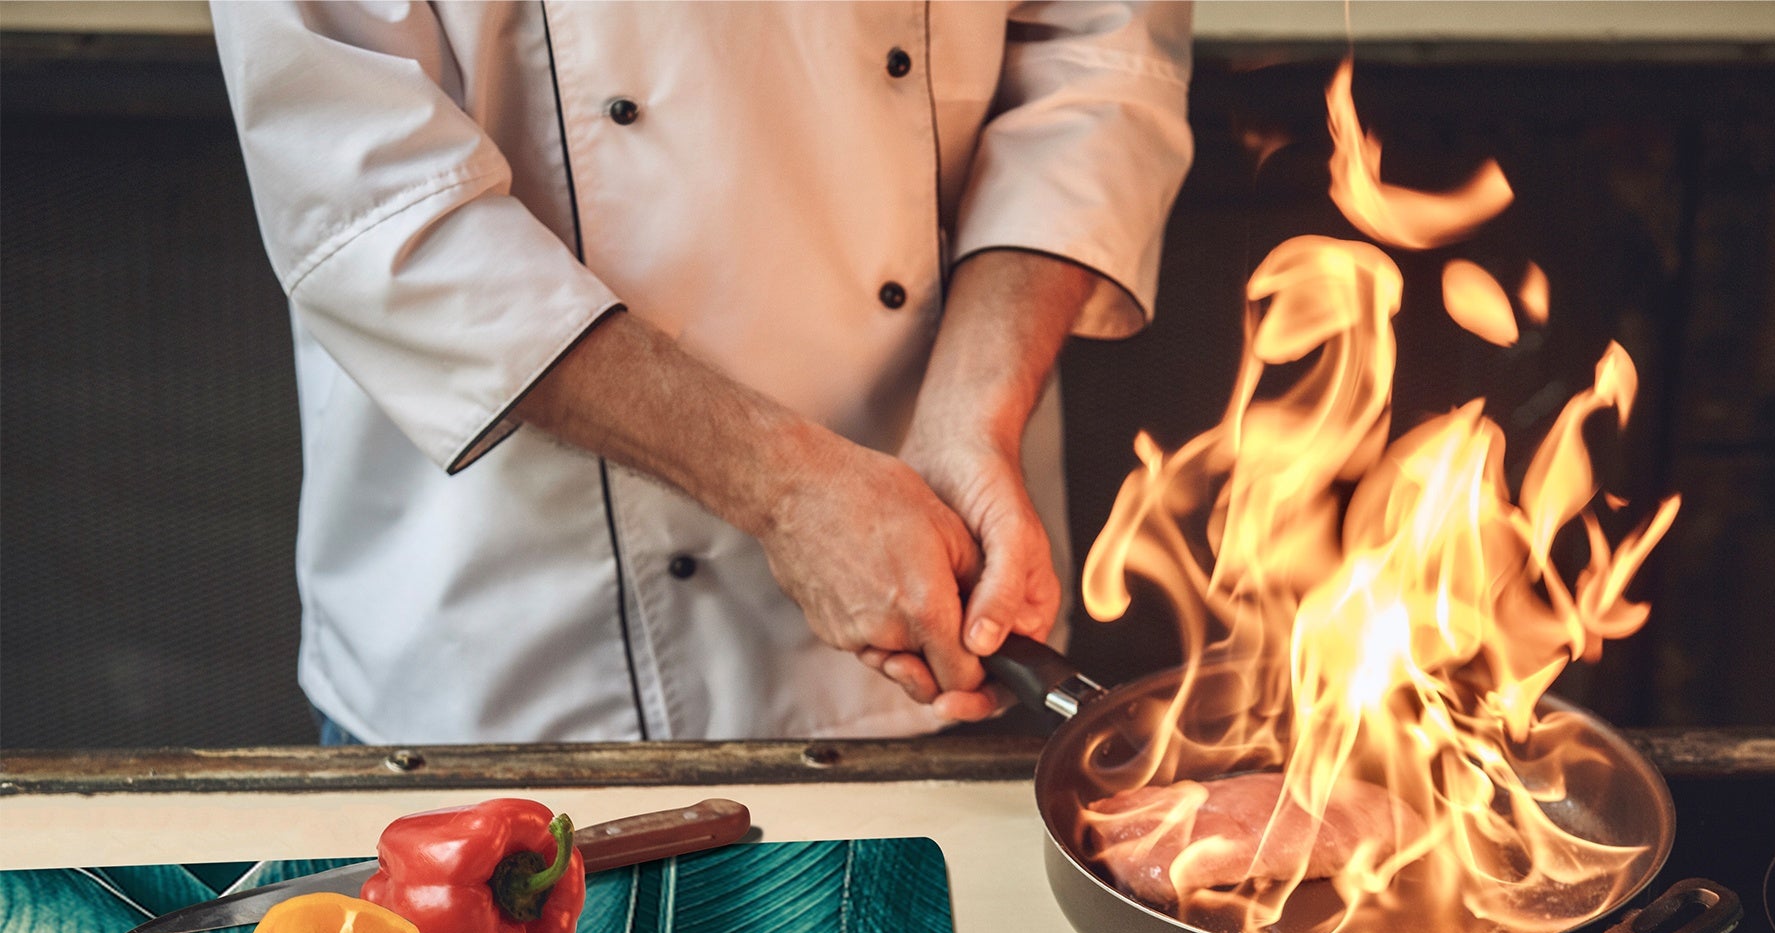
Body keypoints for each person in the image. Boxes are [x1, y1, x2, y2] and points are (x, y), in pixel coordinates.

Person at [210, 2, 1193, 743]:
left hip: (948, 582)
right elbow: (370, 197)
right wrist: (786, 492)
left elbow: (1097, 62)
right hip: (524, 649)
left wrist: (973, 415)